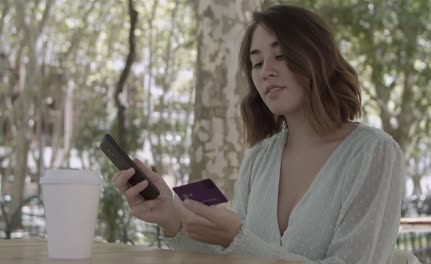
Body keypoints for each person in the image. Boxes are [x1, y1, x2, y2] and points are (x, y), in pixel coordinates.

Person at [112, 4, 413, 263]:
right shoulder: (258, 159)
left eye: (280, 56)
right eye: (256, 63)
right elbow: (229, 256)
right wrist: (171, 218)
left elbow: (244, 247)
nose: (266, 70)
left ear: (317, 58)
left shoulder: (374, 153)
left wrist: (237, 239)